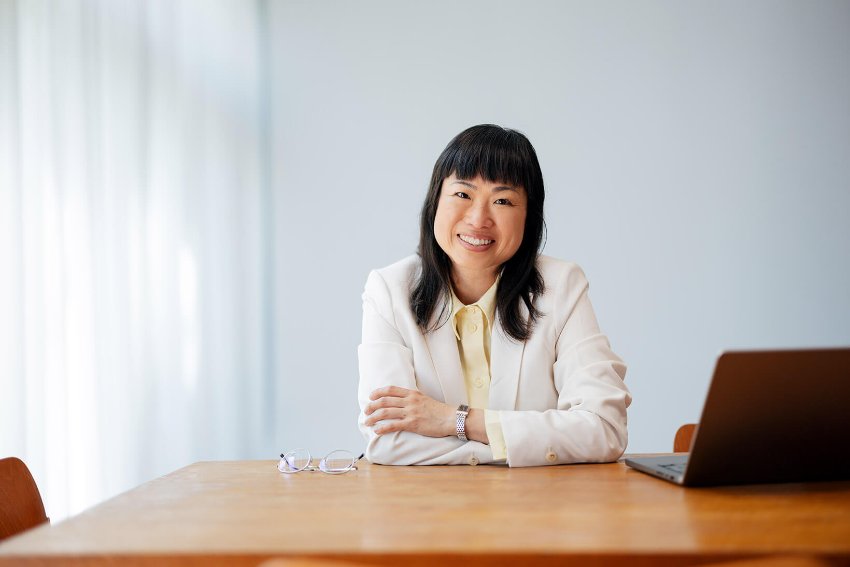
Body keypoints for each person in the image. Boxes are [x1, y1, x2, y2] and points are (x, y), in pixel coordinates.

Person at [357, 124, 631, 467]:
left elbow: (604, 430)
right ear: (435, 202)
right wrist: (521, 443)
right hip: (428, 512)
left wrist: (453, 420)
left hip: (537, 509)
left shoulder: (562, 285)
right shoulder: (389, 289)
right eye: (462, 194)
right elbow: (389, 441)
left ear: (529, 217)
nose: (478, 219)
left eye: (503, 200)